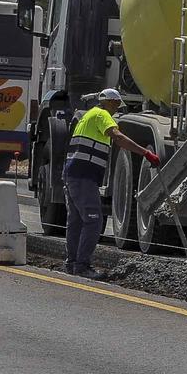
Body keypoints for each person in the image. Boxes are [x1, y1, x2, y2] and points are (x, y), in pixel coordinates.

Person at [62, 87, 156, 278]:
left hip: (74, 174)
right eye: (116, 105)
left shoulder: (88, 115)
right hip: (84, 176)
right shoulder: (102, 114)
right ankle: (82, 266)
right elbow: (118, 137)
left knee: (77, 221)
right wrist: (145, 153)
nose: (116, 109)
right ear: (109, 102)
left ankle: (72, 264)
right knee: (93, 221)